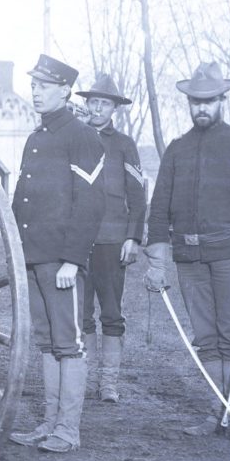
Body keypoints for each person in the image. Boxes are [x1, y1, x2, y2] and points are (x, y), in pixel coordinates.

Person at [144, 61, 230, 446]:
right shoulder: (176, 150)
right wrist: (156, 261)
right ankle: (216, 412)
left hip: (228, 257)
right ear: (188, 103)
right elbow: (158, 209)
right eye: (195, 102)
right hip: (189, 262)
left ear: (222, 100)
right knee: (205, 339)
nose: (202, 108)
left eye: (209, 101)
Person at [7, 54, 105, 454]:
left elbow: (91, 203)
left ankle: (68, 430)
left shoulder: (81, 136)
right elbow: (22, 198)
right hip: (32, 255)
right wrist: (16, 251)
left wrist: (73, 259)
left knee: (70, 342)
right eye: (33, 84)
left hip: (61, 259)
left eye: (44, 85)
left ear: (65, 90)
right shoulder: (36, 136)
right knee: (47, 342)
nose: (35, 91)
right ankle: (49, 425)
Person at [75, 74, 146, 403]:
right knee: (80, 313)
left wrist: (132, 237)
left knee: (111, 311)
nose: (98, 108)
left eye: (104, 103)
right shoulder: (75, 140)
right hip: (77, 240)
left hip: (112, 238)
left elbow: (138, 195)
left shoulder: (124, 145)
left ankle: (108, 385)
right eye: (93, 102)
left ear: (114, 108)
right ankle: (85, 380)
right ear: (86, 105)